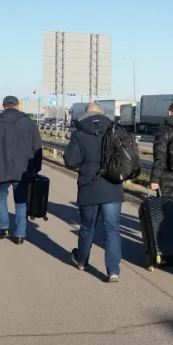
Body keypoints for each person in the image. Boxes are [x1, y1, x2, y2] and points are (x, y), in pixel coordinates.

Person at [63, 102, 124, 282]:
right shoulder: (115, 132)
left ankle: (82, 261)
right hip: (112, 185)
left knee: (87, 228)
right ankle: (113, 271)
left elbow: (71, 161)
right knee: (112, 230)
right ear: (103, 113)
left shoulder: (79, 134)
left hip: (88, 186)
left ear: (85, 115)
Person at [0, 95, 42, 245]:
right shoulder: (29, 123)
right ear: (18, 106)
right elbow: (37, 147)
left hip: (0, 168)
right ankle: (20, 235)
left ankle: (3, 229)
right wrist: (36, 167)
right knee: (21, 201)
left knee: (0, 196)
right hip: (22, 170)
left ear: (3, 106)